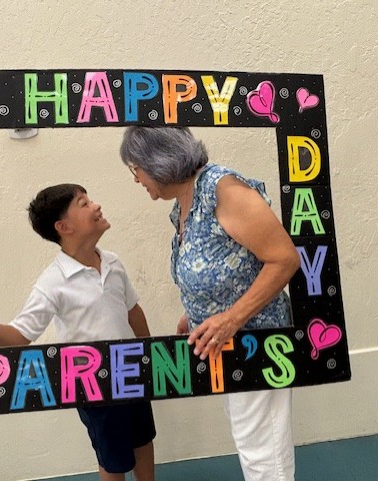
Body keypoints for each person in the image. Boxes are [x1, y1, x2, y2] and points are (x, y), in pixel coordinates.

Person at [120, 126, 300, 481]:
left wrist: (231, 318)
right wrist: (198, 311)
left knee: (265, 455)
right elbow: (226, 265)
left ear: (156, 161)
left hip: (258, 341)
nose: (136, 179)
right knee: (252, 446)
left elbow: (284, 259)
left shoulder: (224, 190)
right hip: (227, 343)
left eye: (135, 168)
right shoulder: (186, 202)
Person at [0, 184, 156, 481]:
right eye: (84, 203)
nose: (96, 206)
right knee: (112, 457)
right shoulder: (53, 282)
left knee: (143, 440)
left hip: (133, 373)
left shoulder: (113, 262)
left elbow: (132, 311)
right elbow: (19, 336)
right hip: (94, 386)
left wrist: (152, 356)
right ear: (64, 227)